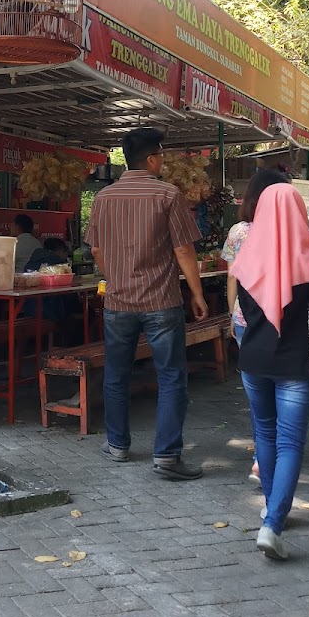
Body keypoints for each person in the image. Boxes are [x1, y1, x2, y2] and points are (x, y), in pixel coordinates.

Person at [85, 127, 208, 480]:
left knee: (116, 374)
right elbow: (183, 249)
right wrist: (197, 294)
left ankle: (118, 445)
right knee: (171, 377)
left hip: (119, 303)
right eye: (162, 157)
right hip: (161, 302)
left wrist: (116, 279)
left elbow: (96, 249)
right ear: (152, 158)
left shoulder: (104, 198)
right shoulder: (168, 195)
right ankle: (167, 456)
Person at [231, 185, 309, 560]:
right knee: (290, 443)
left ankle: (273, 512)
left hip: (253, 361)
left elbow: (245, 313)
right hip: (294, 364)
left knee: (265, 435)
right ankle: (273, 523)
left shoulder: (246, 260)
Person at [221, 169, 291, 482]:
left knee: (257, 394)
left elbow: (232, 277)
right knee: (281, 388)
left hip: (245, 322)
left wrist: (230, 314)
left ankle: (263, 455)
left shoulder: (238, 232)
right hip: (282, 319)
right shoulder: (290, 230)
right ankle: (275, 452)